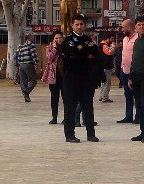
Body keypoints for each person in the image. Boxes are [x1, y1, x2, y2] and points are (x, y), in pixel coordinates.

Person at [60, 14, 100, 143]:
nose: (79, 27)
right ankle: (69, 135)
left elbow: (94, 52)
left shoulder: (88, 39)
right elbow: (71, 56)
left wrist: (81, 54)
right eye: (76, 24)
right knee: (70, 108)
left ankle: (91, 134)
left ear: (84, 25)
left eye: (81, 24)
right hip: (71, 79)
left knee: (88, 107)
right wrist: (84, 54)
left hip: (86, 79)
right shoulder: (68, 40)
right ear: (72, 25)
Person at [117, 18, 140, 125]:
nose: (121, 29)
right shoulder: (125, 39)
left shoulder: (137, 39)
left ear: (129, 27)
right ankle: (128, 115)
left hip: (134, 72)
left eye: (123, 27)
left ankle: (139, 116)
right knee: (127, 94)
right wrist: (121, 67)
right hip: (124, 70)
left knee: (137, 94)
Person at [41, 30, 64, 124]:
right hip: (53, 76)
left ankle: (66, 117)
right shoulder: (49, 47)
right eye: (56, 38)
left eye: (60, 38)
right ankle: (54, 117)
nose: (59, 40)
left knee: (66, 98)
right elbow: (49, 58)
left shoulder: (66, 47)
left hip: (64, 75)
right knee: (54, 98)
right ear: (53, 39)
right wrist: (54, 49)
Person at [15, 32, 39, 102]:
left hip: (21, 65)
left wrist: (19, 65)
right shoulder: (31, 45)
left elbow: (18, 56)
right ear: (30, 37)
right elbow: (33, 54)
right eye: (33, 36)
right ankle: (26, 91)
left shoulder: (21, 46)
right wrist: (36, 63)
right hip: (28, 64)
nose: (34, 37)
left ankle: (26, 97)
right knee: (33, 81)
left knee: (23, 81)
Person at [98, 35, 116, 103]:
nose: (113, 40)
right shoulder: (104, 45)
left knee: (104, 82)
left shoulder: (102, 45)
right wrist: (113, 46)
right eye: (112, 38)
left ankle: (102, 96)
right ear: (107, 39)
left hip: (104, 66)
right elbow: (109, 52)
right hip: (106, 67)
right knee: (107, 82)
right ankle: (105, 97)